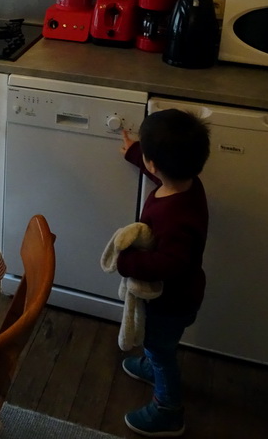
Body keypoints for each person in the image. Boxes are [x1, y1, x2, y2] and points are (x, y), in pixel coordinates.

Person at [117, 108, 210, 437]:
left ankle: (169, 410)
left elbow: (170, 263)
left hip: (171, 301)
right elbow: (163, 173)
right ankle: (151, 361)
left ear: (154, 163)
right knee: (160, 345)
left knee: (162, 351)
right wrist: (135, 154)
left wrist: (125, 263)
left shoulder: (176, 217)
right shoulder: (188, 185)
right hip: (183, 295)